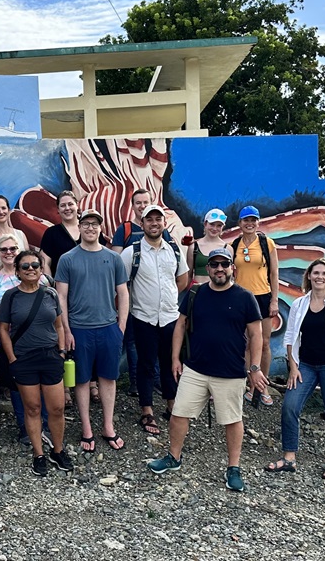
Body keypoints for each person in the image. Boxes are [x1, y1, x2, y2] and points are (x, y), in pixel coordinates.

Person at [147, 247, 265, 493]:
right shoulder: (195, 294)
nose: (219, 269)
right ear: (208, 268)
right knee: (179, 414)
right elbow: (180, 325)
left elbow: (256, 335)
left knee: (232, 420)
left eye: (224, 264)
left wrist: (254, 368)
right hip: (196, 369)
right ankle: (173, 457)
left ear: (232, 268)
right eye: (214, 264)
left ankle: (233, 468)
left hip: (230, 371)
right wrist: (175, 358)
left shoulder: (245, 297)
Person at [267, 258, 325, 481]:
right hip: (305, 365)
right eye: (316, 273)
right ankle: (289, 458)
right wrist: (293, 366)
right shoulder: (300, 304)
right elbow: (290, 337)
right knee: (290, 406)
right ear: (309, 276)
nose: (320, 277)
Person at [56, 209, 130, 454]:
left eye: (94, 224)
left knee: (108, 378)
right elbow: (61, 297)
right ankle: (86, 428)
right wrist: (66, 330)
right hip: (79, 329)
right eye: (86, 223)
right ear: (79, 227)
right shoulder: (67, 259)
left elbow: (123, 293)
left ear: (100, 228)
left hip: (108, 327)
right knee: (82, 379)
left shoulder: (113, 258)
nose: (90, 228)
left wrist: (121, 326)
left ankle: (108, 426)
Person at [0, 249, 73, 476]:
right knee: (32, 408)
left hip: (50, 356)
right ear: (17, 271)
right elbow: (3, 329)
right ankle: (38, 454)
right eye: (25, 266)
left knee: (57, 408)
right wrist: (12, 358)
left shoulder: (50, 294)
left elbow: (59, 325)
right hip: (24, 358)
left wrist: (61, 352)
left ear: (41, 269)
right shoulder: (11, 296)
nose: (30, 269)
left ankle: (57, 450)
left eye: (35, 265)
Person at [120, 205, 189, 435]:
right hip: (144, 318)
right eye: (149, 220)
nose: (154, 223)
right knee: (146, 364)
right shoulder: (131, 253)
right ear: (142, 224)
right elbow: (121, 284)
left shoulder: (174, 250)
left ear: (163, 223)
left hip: (170, 317)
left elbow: (182, 279)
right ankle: (147, 410)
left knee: (171, 363)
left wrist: (167, 298)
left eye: (158, 219)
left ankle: (171, 404)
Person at [0, 235, 50, 447]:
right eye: (3, 249)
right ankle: (25, 427)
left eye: (13, 248)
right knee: (16, 385)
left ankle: (45, 426)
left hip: (39, 338)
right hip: (9, 340)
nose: (8, 252)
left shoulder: (39, 277)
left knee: (42, 383)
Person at [232, 205, 280, 406]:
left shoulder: (267, 243)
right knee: (245, 344)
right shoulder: (234, 244)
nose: (250, 224)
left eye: (253, 220)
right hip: (241, 299)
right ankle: (249, 385)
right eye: (246, 220)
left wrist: (274, 300)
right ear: (240, 223)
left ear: (258, 222)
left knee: (264, 343)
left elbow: (274, 273)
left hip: (262, 297)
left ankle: (262, 387)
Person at [190, 208, 228, 285]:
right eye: (212, 224)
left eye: (219, 225)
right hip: (198, 290)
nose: (215, 228)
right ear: (205, 224)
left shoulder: (227, 248)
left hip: (219, 290)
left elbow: (229, 276)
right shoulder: (193, 247)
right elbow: (188, 275)